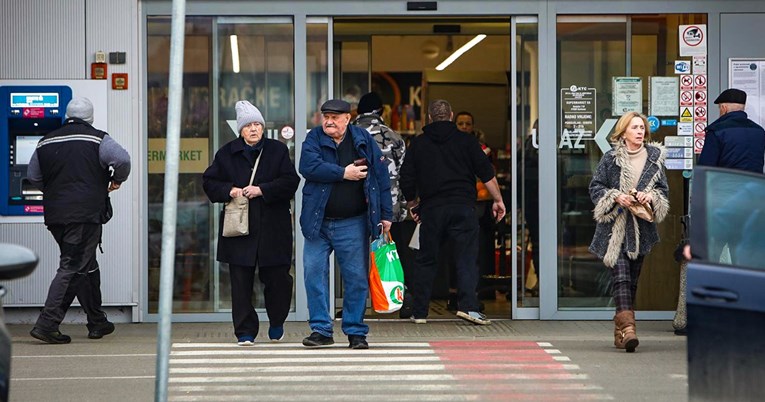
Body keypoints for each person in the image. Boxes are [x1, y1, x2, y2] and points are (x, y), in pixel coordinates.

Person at [27, 97, 131, 344]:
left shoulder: (45, 141)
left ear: (66, 116)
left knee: (85, 264)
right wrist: (116, 180)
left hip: (56, 215)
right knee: (73, 266)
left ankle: (97, 321)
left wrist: (56, 192)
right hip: (84, 214)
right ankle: (47, 323)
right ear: (90, 118)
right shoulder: (98, 139)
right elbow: (123, 160)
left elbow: (33, 176)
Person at [400, 99, 505, 326]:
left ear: (429, 118)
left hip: (432, 209)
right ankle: (468, 308)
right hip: (463, 208)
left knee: (426, 260)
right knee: (466, 258)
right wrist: (498, 199)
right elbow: (486, 173)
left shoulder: (418, 144)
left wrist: (413, 204)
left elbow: (406, 178)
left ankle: (419, 312)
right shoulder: (467, 142)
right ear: (451, 115)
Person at [203, 100, 299, 346]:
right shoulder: (226, 153)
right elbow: (210, 183)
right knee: (240, 281)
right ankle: (245, 331)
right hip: (240, 227)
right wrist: (230, 190)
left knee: (278, 278)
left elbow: (291, 181)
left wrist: (262, 190)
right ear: (240, 130)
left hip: (273, 227)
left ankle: (277, 320)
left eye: (258, 124)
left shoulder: (277, 150)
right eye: (248, 126)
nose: (254, 129)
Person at [299, 99, 392, 350]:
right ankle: (321, 329)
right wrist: (343, 173)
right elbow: (307, 167)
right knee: (313, 273)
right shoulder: (314, 139)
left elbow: (381, 177)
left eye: (335, 117)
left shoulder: (362, 138)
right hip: (318, 223)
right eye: (326, 116)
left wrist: (386, 215)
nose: (329, 121)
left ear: (347, 119)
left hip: (353, 222)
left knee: (356, 278)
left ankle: (355, 331)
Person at [588, 111, 669, 353]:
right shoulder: (610, 158)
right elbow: (595, 187)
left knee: (632, 282)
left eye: (642, 128)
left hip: (641, 229)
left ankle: (620, 331)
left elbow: (663, 191)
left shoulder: (655, 159)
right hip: (614, 229)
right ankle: (630, 330)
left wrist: (650, 196)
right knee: (621, 277)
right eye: (634, 127)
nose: (640, 131)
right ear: (623, 132)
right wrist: (616, 196)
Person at [351, 92, 415, 319]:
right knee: (392, 251)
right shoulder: (394, 136)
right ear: (381, 111)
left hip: (358, 203)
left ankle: (355, 305)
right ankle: (401, 297)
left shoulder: (349, 134)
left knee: (356, 253)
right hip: (391, 204)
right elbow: (405, 173)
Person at [449, 111, 493, 312]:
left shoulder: (482, 149)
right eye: (460, 123)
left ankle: (472, 293)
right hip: (455, 201)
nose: (464, 127)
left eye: (468, 123)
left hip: (478, 202)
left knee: (475, 251)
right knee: (454, 250)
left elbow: (488, 174)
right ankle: (453, 294)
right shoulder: (448, 144)